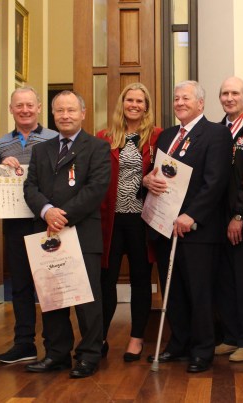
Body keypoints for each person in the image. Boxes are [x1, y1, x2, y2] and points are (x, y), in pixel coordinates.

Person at [142, 81, 230, 373]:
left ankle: (202, 350)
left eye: (186, 98)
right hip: (164, 226)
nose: (179, 103)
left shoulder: (216, 134)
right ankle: (178, 344)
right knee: (173, 291)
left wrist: (192, 215)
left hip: (197, 230)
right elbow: (157, 174)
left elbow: (215, 182)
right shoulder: (166, 136)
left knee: (199, 291)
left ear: (201, 104)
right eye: (176, 98)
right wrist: (147, 181)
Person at [23, 90, 111, 378]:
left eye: (71, 110)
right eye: (59, 111)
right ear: (53, 114)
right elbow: (30, 188)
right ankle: (56, 354)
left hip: (81, 233)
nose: (65, 115)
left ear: (83, 113)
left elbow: (96, 189)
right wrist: (47, 210)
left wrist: (63, 215)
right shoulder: (41, 150)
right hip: (47, 234)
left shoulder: (98, 147)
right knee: (53, 298)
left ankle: (89, 355)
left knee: (87, 300)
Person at [0, 86, 58, 364]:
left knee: (50, 285)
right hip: (15, 221)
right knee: (20, 284)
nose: (25, 110)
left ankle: (55, 345)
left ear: (39, 107)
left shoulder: (54, 138)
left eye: (30, 105)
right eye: (19, 106)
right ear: (11, 109)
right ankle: (24, 343)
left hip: (46, 222)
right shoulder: (2, 143)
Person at [96, 82, 161, 362]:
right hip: (110, 219)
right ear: (122, 104)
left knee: (140, 280)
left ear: (146, 106)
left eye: (139, 101)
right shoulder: (103, 137)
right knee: (105, 280)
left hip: (141, 220)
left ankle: (136, 338)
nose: (134, 105)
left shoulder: (157, 137)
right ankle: (98, 337)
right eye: (129, 100)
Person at [213, 77, 243, 362]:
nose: (229, 98)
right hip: (216, 220)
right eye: (224, 93)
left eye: (235, 93)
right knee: (224, 281)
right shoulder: (217, 130)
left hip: (242, 219)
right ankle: (230, 336)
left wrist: (239, 215)